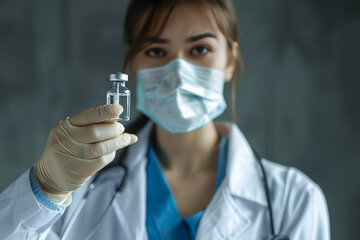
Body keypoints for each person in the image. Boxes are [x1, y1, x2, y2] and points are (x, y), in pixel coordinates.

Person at [0, 0, 330, 239]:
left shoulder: (293, 200)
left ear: (230, 59)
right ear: (133, 66)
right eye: (156, 51)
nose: (178, 74)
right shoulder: (83, 192)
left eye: (199, 49)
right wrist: (45, 187)